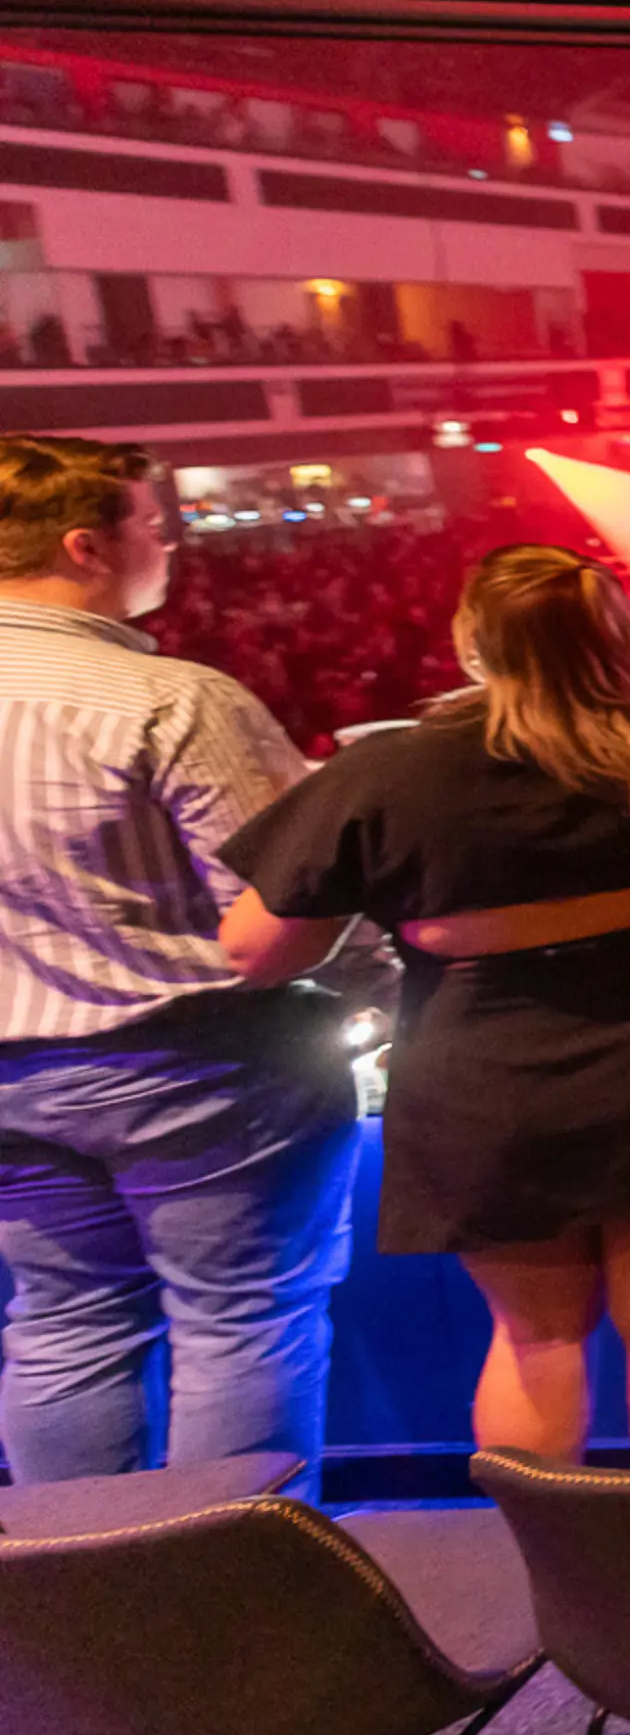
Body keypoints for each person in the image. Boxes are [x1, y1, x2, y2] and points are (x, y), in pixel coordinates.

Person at [217, 544, 630, 1469]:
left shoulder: (387, 772)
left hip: (481, 1079)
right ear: (617, 634)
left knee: (536, 1342)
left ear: (474, 642)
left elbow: (255, 951)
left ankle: (544, 1571)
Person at [0, 434, 353, 1498]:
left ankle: (87, 1605)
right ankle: (227, 1610)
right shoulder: (173, 698)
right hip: (202, 1071)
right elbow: (280, 915)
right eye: (156, 525)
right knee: (241, 1318)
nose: (171, 545)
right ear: (87, 546)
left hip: (10, 1080)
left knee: (61, 1326)